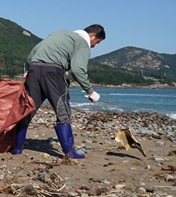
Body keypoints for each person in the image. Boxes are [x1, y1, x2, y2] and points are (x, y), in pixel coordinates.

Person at [12, 25, 106, 158]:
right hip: (53, 72)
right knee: (63, 111)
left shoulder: (61, 34)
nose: (94, 46)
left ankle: (17, 148)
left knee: (28, 109)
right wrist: (90, 91)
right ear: (93, 36)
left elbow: (33, 53)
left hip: (34, 69)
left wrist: (30, 71)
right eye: (97, 42)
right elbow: (78, 69)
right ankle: (70, 152)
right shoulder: (82, 42)